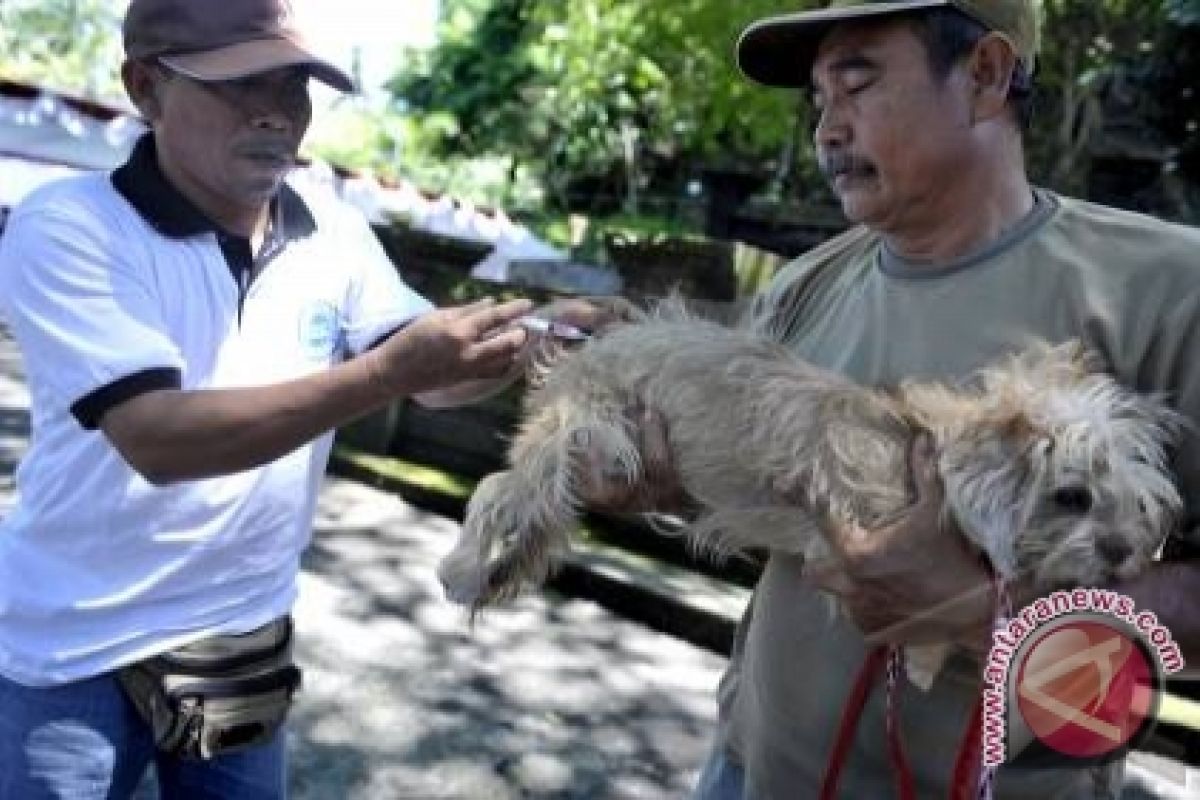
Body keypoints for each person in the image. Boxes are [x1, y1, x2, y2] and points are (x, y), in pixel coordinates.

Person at [576, 1, 1200, 798]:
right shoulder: (805, 287)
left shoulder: (1167, 292)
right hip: (749, 772)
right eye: (820, 98)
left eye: (858, 84)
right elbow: (769, 517)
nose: (827, 129)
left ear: (985, 75)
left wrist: (995, 613)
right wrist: (657, 483)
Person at [0, 0, 537, 797]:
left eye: (295, 86)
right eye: (239, 85)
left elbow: (438, 379)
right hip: (75, 651)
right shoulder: (71, 226)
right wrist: (386, 376)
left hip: (240, 642)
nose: (277, 114)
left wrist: (532, 341)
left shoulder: (336, 234)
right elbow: (160, 440)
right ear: (145, 87)